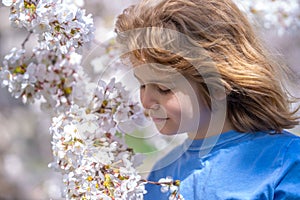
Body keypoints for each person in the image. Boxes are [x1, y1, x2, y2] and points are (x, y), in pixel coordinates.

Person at [114, 0, 300, 199]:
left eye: (163, 88)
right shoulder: (160, 176)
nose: (147, 101)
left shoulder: (286, 161)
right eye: (142, 84)